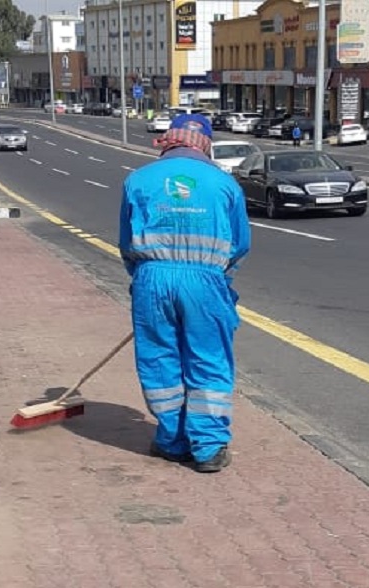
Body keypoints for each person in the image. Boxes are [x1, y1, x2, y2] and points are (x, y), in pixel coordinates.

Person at [119, 113, 251, 473]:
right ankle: (207, 447)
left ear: (169, 141)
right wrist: (221, 279)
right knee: (207, 358)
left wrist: (143, 279)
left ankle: (172, 440)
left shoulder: (138, 180)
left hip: (152, 278)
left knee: (160, 359)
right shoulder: (224, 184)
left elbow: (126, 242)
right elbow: (239, 244)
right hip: (205, 281)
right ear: (205, 144)